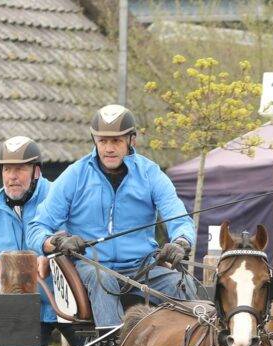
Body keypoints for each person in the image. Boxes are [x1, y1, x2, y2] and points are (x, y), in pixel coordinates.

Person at [27, 104, 196, 327]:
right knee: (103, 279)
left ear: (131, 140)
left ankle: (192, 344)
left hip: (143, 267)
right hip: (92, 266)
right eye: (103, 141)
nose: (108, 148)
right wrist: (56, 241)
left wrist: (181, 242)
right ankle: (111, 345)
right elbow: (36, 228)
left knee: (181, 283)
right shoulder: (74, 175)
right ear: (94, 140)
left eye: (116, 141)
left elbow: (179, 219)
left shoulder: (151, 174)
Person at [0, 136, 82, 346]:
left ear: (36, 171)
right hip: (23, 308)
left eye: (20, 169)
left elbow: (79, 242)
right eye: (7, 169)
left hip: (69, 301)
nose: (12, 176)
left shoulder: (59, 197)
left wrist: (53, 257)